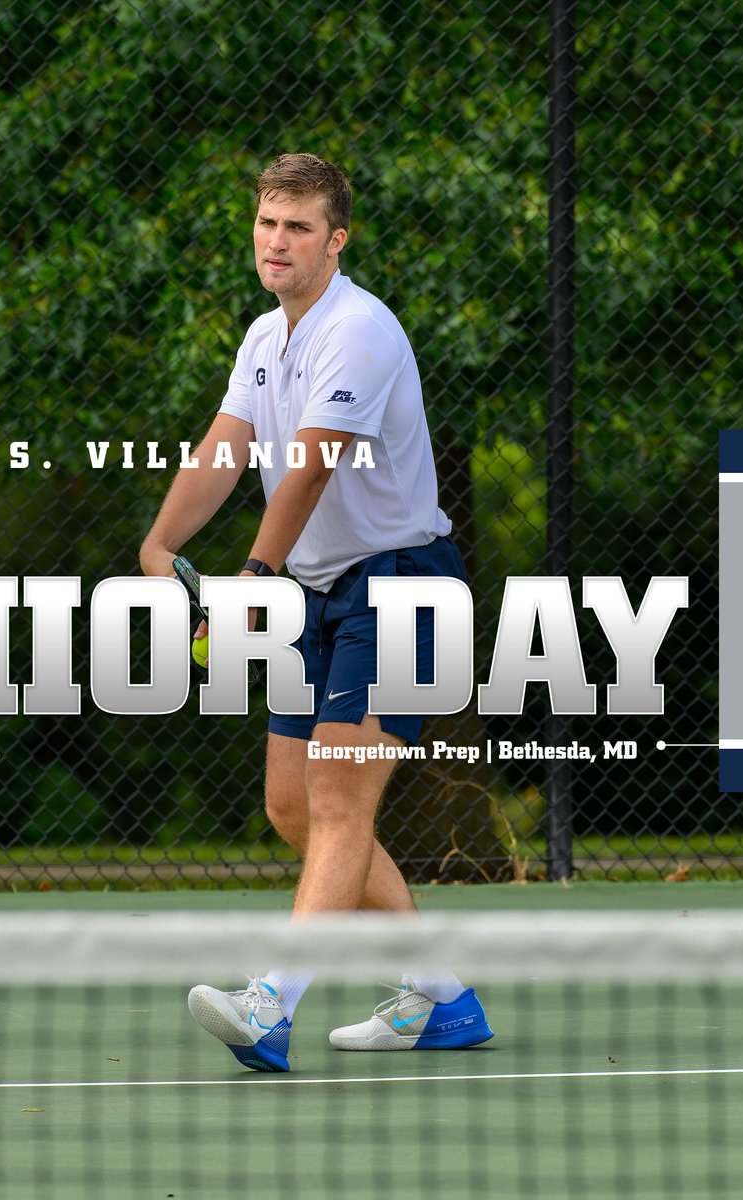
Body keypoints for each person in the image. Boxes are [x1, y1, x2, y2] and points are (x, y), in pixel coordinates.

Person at [138, 153, 493, 1072]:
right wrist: (156, 545)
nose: (277, 242)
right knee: (293, 805)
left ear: (336, 241)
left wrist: (253, 571)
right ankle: (440, 998)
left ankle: (272, 1004)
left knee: (338, 796)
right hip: (318, 591)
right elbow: (228, 446)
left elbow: (312, 466)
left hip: (401, 581)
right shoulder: (265, 339)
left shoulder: (360, 333)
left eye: (298, 227)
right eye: (267, 223)